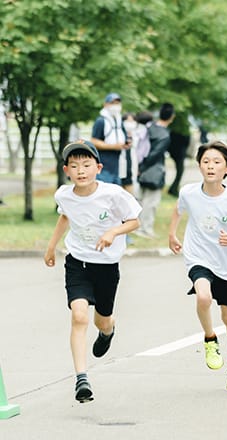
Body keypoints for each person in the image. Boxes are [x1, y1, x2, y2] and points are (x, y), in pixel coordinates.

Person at [44, 140, 142, 403]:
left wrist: (113, 231)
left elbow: (134, 221)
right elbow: (65, 216)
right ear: (66, 170)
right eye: (74, 166)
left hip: (106, 267)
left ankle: (108, 331)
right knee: (79, 316)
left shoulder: (113, 194)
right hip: (77, 263)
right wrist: (51, 247)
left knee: (102, 320)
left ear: (98, 167)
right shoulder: (64, 195)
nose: (81, 171)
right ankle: (81, 378)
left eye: (86, 165)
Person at [168, 140, 227, 392]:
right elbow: (178, 210)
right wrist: (172, 234)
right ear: (199, 166)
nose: (210, 166)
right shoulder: (189, 192)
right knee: (203, 296)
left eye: (216, 162)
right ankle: (209, 338)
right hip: (198, 257)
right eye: (206, 162)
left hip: (225, 264)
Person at [137, 103, 175, 238]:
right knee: (151, 201)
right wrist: (142, 168)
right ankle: (145, 229)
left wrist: (138, 167)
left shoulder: (149, 127)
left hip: (139, 167)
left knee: (140, 200)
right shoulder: (164, 135)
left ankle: (137, 226)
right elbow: (155, 154)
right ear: (172, 117)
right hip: (153, 170)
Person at [91, 93, 131, 185]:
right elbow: (94, 141)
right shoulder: (101, 121)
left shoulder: (119, 121)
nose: (115, 106)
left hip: (117, 166)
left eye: (117, 103)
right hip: (104, 165)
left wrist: (126, 144)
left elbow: (124, 137)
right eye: (112, 103)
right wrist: (113, 146)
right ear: (106, 104)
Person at [168, 114, 191, 197]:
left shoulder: (172, 129)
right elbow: (187, 142)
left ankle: (173, 188)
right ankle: (173, 189)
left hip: (173, 153)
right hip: (180, 154)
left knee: (179, 172)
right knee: (180, 172)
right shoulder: (184, 130)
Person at [121, 112, 137, 194]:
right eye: (128, 121)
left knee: (130, 195)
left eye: (132, 121)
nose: (130, 124)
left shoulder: (136, 136)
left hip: (131, 169)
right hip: (121, 168)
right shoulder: (120, 135)